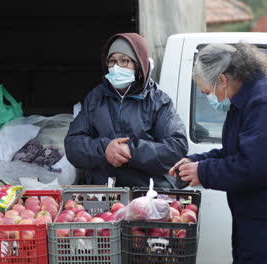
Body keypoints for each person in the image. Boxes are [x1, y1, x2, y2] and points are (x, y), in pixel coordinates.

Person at [170, 42, 267, 263]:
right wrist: (195, 161)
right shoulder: (246, 99)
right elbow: (234, 151)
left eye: (207, 92)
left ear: (222, 80)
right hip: (261, 220)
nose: (210, 99)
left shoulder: (265, 102)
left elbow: (254, 167)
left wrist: (203, 171)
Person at [64, 33, 188, 188]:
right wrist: (105, 150)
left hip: (147, 194)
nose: (116, 67)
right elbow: (73, 145)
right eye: (112, 61)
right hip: (104, 194)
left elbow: (177, 146)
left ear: (139, 66)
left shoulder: (158, 101)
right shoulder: (96, 98)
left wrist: (131, 151)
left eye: (124, 61)